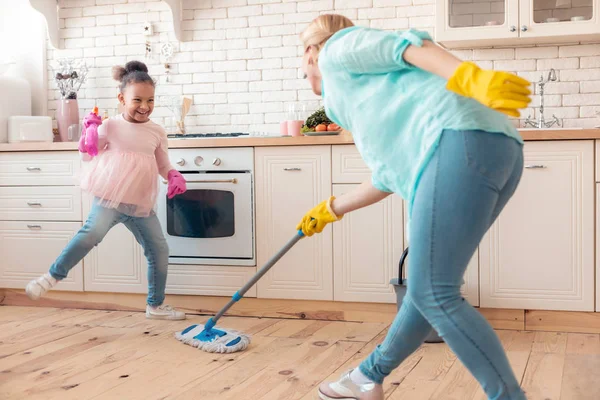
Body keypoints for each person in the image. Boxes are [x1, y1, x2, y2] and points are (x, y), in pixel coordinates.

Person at [297, 15, 531, 400]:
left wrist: (470, 77)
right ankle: (366, 378)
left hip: (459, 141)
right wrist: (331, 208)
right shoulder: (368, 95)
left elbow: (406, 45)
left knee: (433, 291)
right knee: (427, 288)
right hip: (496, 147)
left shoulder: (336, 51)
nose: (308, 79)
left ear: (309, 52)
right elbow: (388, 173)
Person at [25, 61, 188, 321]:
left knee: (158, 250)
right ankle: (50, 277)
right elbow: (87, 151)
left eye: (150, 100)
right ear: (122, 98)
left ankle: (155, 305)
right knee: (90, 235)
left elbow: (162, 163)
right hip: (110, 198)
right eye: (137, 100)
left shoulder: (157, 131)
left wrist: (173, 174)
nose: (144, 107)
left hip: (140, 205)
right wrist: (89, 131)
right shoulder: (110, 125)